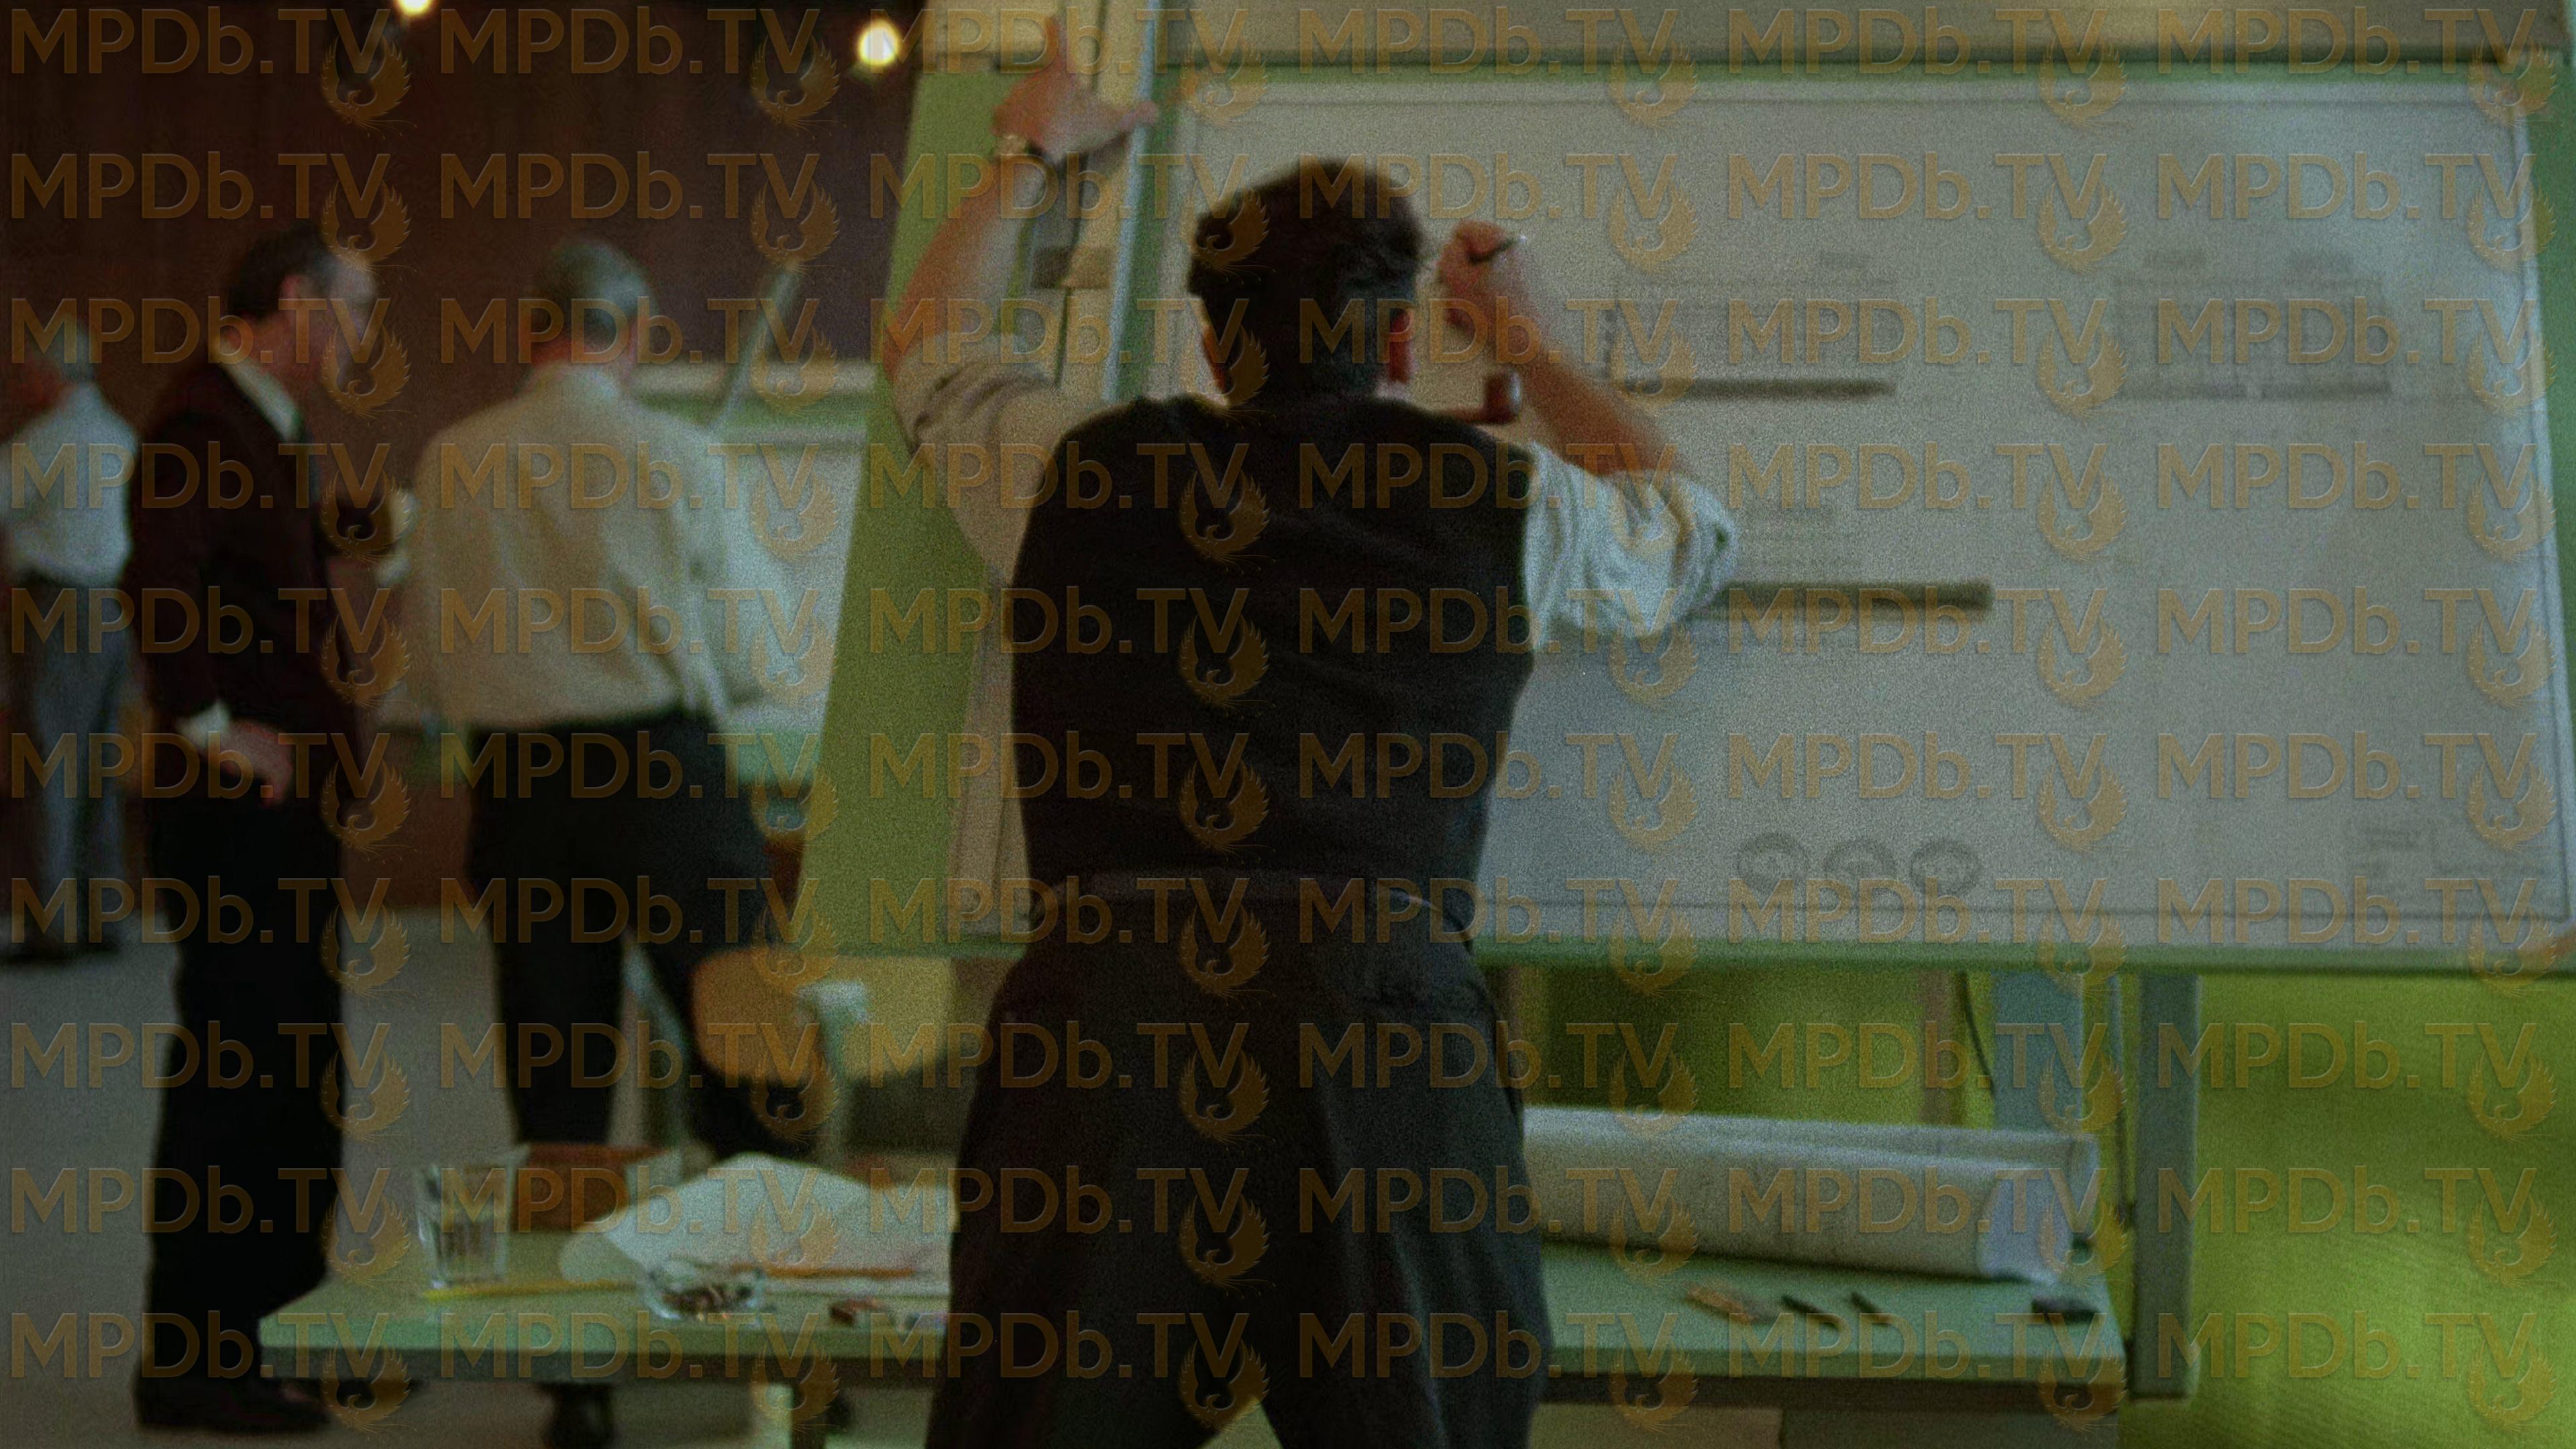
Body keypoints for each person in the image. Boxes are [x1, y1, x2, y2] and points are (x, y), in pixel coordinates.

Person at [881, 28, 1738, 1449]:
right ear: (1401, 342)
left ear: (1216, 346)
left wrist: (1030, 149)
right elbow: (1692, 535)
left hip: (1108, 1039)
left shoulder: (1078, 471)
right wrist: (1534, 341)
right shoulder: (1502, 503)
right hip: (1382, 1030)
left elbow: (929, 349)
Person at [400, 239, 806, 1449]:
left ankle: (576, 1385)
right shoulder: (678, 453)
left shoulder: (454, 457)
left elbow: (430, 654)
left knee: (558, 1091)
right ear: (631, 335)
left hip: (524, 791)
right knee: (751, 1057)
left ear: (533, 332)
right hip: (665, 779)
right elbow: (755, 652)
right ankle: (770, 1347)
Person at [125, 221, 388, 1432]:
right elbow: (159, 585)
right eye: (357, 307)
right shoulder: (201, 421)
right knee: (241, 1083)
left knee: (295, 1079)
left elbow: (254, 563)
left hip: (279, 820)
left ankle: (284, 1333)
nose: (365, 335)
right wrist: (213, 728)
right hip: (239, 817)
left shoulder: (255, 426)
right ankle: (196, 1358)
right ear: (296, 302)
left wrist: (370, 528)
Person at [3, 317, 136, 959]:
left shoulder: (44, 441)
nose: (21, 385)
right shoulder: (122, 436)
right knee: (100, 764)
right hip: (119, 607)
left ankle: (50, 927)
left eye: (28, 373)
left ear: (49, 374)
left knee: (48, 762)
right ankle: (105, 916)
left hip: (57, 607)